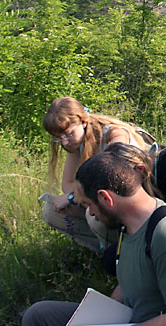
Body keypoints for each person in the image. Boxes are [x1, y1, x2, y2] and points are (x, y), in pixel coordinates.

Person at [22, 150, 166, 326]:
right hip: (136, 320)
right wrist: (93, 325)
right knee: (38, 317)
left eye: (89, 205)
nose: (90, 213)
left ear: (106, 198)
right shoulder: (128, 226)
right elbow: (129, 284)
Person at [41, 97, 154, 251]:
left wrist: (72, 197)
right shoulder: (75, 143)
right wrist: (78, 196)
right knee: (51, 211)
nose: (64, 143)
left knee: (93, 216)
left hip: (133, 199)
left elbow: (111, 176)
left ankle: (129, 253)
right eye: (58, 138)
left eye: (68, 134)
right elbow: (67, 184)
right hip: (104, 199)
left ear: (83, 121)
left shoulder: (114, 134)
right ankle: (108, 250)